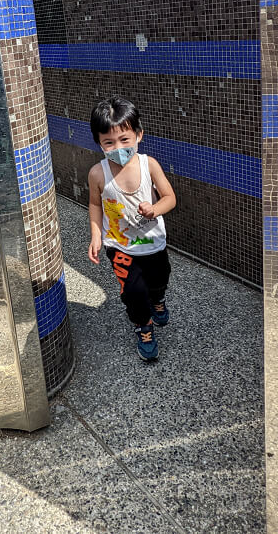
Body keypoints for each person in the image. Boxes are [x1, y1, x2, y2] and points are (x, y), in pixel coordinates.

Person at [87, 96, 177, 361]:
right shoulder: (97, 173)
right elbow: (94, 204)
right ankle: (144, 326)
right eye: (109, 142)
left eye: (125, 140)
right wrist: (95, 235)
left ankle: (158, 299)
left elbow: (170, 198)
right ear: (99, 142)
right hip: (119, 246)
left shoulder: (149, 165)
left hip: (154, 243)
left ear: (139, 135)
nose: (118, 147)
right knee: (134, 292)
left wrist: (155, 209)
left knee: (159, 280)